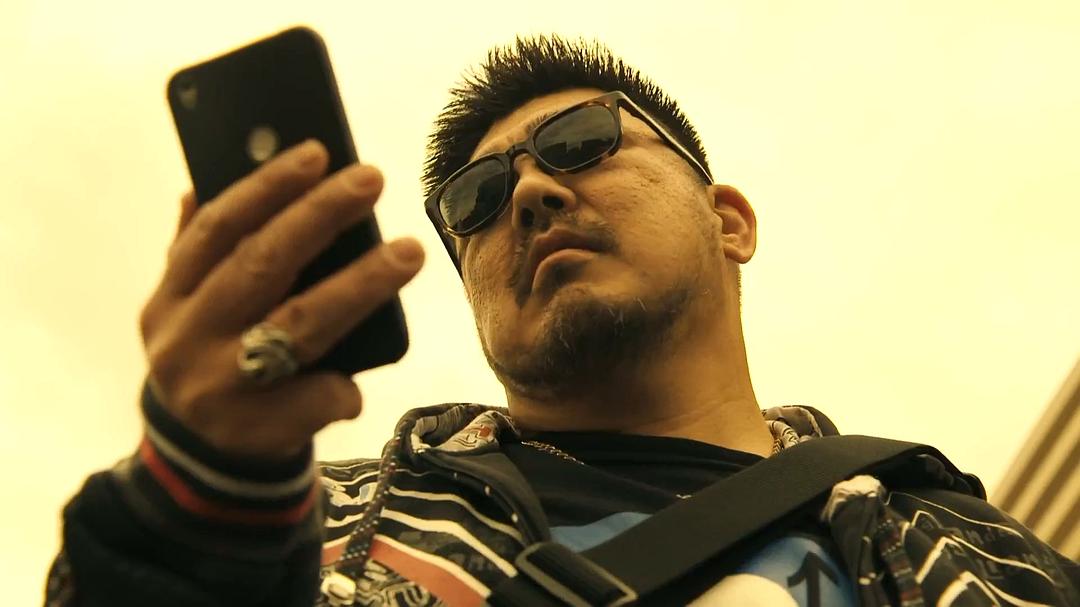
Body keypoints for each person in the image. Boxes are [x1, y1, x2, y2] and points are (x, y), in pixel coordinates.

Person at [46, 36, 1079, 607]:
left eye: (581, 141)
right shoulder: (318, 529)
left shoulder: (975, 551)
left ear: (728, 220)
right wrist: (197, 501)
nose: (530, 193)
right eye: (476, 200)